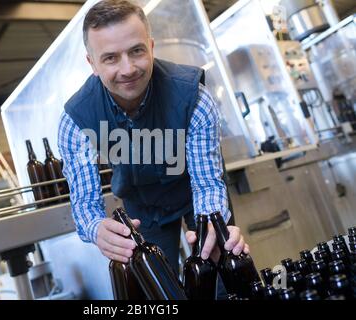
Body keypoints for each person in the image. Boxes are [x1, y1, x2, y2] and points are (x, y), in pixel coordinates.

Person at [57, 0, 250, 286]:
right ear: (92, 63)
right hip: (143, 207)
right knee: (159, 288)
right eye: (110, 58)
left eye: (136, 51)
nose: (128, 69)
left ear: (151, 46)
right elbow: (85, 203)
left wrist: (212, 223)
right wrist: (96, 228)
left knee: (223, 278)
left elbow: (208, 184)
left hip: (198, 196)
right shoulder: (76, 119)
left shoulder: (193, 98)